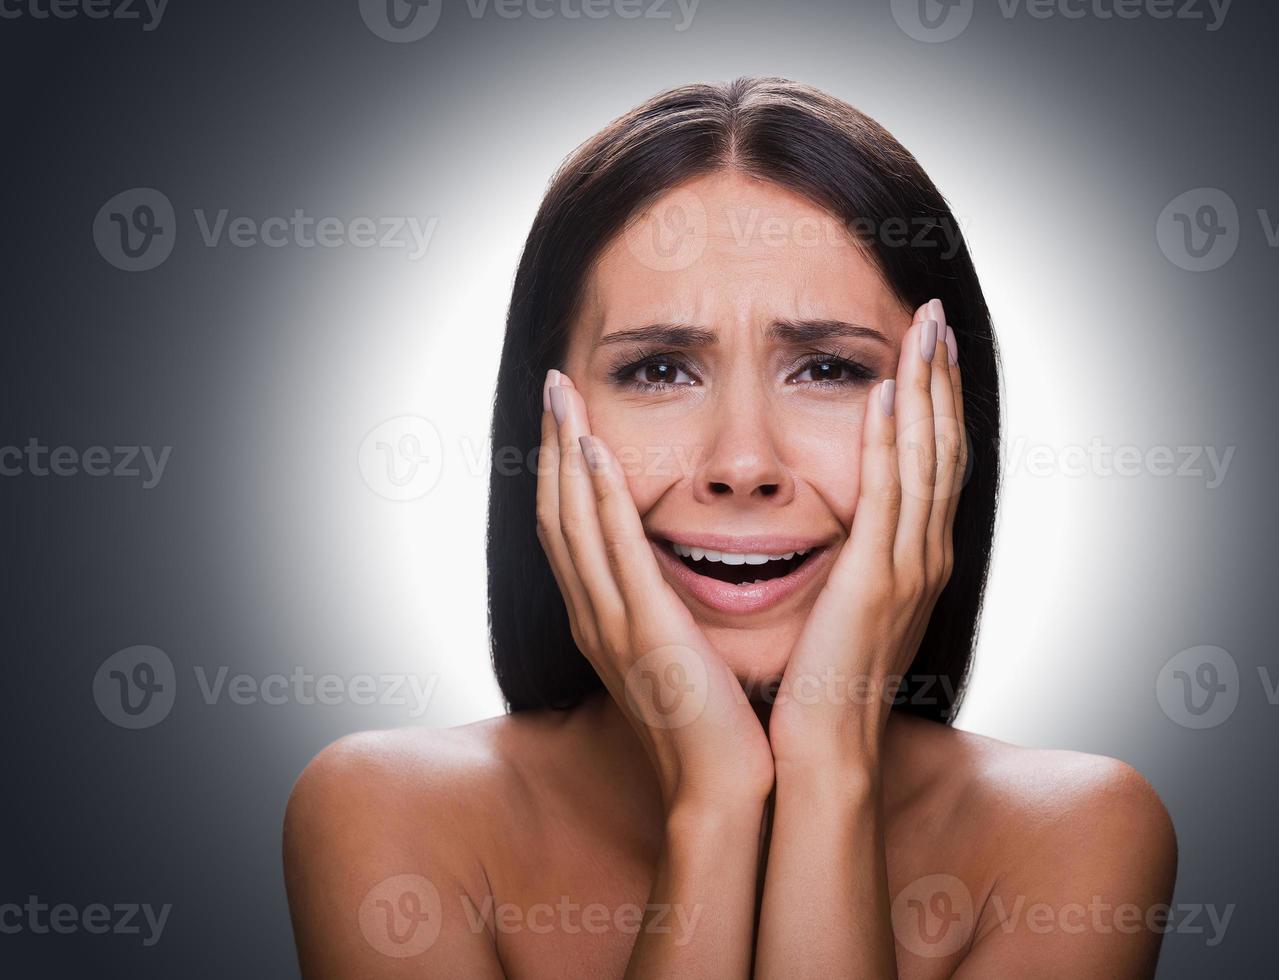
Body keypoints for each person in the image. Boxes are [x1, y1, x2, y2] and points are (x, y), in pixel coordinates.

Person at [284, 76, 1177, 979]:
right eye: (660, 370)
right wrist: (710, 801)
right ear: (548, 426)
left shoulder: (1071, 835)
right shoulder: (388, 811)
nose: (742, 463)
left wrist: (831, 768)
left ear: (945, 423)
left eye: (827, 368)